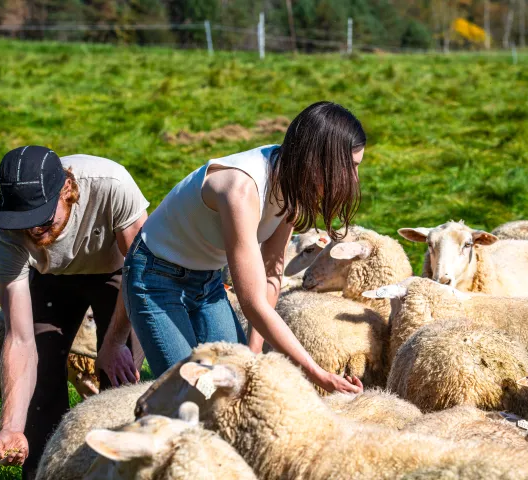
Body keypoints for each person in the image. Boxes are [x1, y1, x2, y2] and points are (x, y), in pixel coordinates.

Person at [124, 101, 366, 394]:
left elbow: (271, 270)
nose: (353, 179)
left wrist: (253, 354)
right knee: (190, 392)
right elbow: (251, 302)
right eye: (350, 167)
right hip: (155, 277)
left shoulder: (294, 184)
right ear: (321, 161)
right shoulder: (241, 189)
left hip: (207, 281)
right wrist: (316, 372)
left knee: (236, 386)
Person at [0, 146, 149, 479]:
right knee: (41, 378)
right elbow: (19, 339)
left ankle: (115, 469)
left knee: (119, 383)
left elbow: (143, 275)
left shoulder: (111, 184)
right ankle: (44, 471)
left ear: (67, 190)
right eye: (24, 222)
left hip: (120, 275)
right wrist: (11, 426)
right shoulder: (6, 235)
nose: (33, 231)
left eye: (43, 218)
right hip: (51, 277)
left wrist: (115, 343)